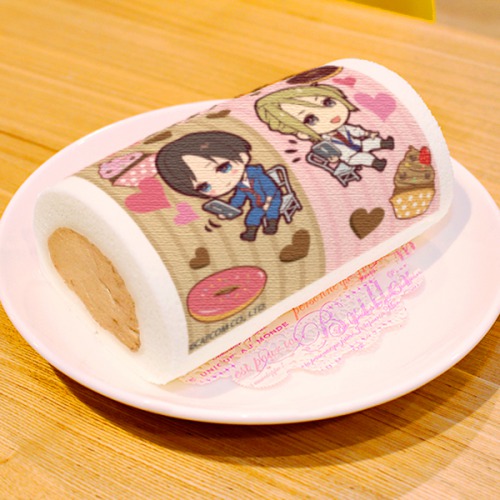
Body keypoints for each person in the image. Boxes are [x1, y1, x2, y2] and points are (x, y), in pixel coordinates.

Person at [156, 131, 282, 242]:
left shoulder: (257, 175)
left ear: (243, 156)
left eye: (223, 168)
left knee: (272, 210)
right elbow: (239, 197)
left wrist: (268, 201)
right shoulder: (240, 185)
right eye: (204, 186)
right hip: (257, 203)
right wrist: (229, 209)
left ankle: (272, 224)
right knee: (253, 215)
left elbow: (270, 188)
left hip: (273, 198)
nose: (220, 182)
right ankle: (251, 231)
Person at [255, 84, 394, 174]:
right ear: (302, 134)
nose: (328, 113)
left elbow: (356, 130)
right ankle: (377, 163)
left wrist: (368, 133)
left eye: (328, 102)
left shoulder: (344, 128)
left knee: (370, 143)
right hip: (349, 156)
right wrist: (332, 158)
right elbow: (327, 154)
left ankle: (385, 143)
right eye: (310, 119)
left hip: (358, 144)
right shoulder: (323, 143)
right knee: (362, 158)